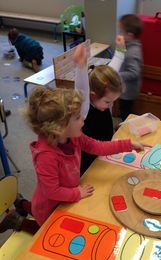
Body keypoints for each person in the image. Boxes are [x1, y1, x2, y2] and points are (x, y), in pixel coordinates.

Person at [0, 43, 145, 231]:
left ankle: (22, 205)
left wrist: (128, 144)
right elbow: (52, 191)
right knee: (46, 230)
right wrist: (77, 193)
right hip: (51, 206)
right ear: (60, 127)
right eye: (78, 117)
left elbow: (98, 147)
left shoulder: (74, 136)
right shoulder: (46, 155)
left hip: (62, 195)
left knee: (39, 209)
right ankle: (19, 221)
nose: (83, 119)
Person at [79, 35, 126, 174]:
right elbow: (81, 87)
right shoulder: (84, 107)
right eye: (108, 102)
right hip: (88, 159)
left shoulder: (102, 96)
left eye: (113, 101)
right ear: (92, 95)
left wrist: (120, 51)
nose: (111, 106)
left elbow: (114, 69)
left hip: (103, 152)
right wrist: (81, 67)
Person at [118, 14, 143, 121]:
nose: (119, 33)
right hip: (125, 89)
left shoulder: (133, 52)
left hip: (128, 92)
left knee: (126, 112)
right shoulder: (129, 46)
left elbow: (134, 73)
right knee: (124, 110)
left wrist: (117, 75)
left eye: (121, 31)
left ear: (129, 35)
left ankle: (125, 127)